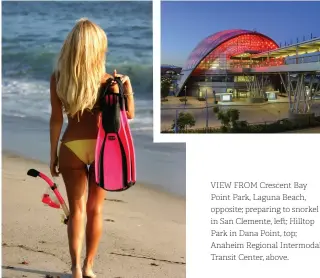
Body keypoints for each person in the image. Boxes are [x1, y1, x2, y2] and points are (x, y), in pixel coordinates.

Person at [49, 18, 135, 278]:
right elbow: (128, 115)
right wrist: (126, 85)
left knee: (76, 210)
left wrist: (52, 153)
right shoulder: (110, 81)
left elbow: (56, 119)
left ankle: (74, 268)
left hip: (71, 147)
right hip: (102, 149)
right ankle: (89, 268)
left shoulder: (59, 78)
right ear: (99, 49)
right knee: (95, 210)